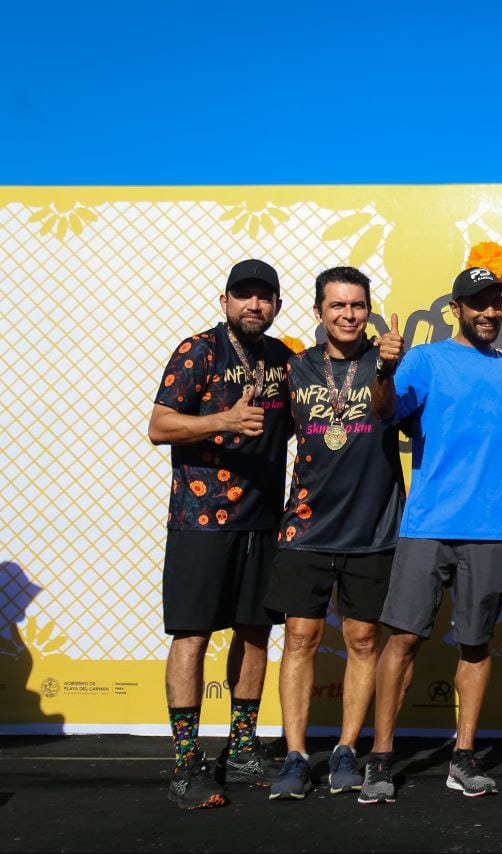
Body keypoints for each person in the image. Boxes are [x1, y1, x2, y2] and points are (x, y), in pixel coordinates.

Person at [358, 267, 502, 804]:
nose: (489, 312)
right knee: (403, 639)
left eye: (495, 303)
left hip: (492, 529)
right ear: (456, 309)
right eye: (477, 303)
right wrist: (383, 370)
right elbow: (385, 410)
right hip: (429, 524)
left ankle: (463, 757)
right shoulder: (425, 359)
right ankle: (381, 758)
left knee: (476, 643)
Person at [147, 259, 292, 809]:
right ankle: (186, 763)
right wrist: (222, 421)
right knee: (193, 636)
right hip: (201, 521)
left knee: (255, 634)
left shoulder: (283, 359)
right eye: (244, 295)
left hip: (264, 520)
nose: (254, 304)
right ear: (225, 301)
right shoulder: (198, 351)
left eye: (264, 296)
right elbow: (160, 426)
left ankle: (242, 749)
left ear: (276, 305)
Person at [263, 267, 406, 800]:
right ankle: (296, 755)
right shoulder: (295, 367)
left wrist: (388, 370)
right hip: (306, 526)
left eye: (358, 305)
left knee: (363, 641)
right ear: (319, 311)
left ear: (369, 309)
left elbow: (390, 413)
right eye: (338, 305)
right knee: (300, 639)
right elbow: (268, 435)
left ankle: (347, 749)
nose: (348, 314)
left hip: (373, 527)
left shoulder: (388, 362)